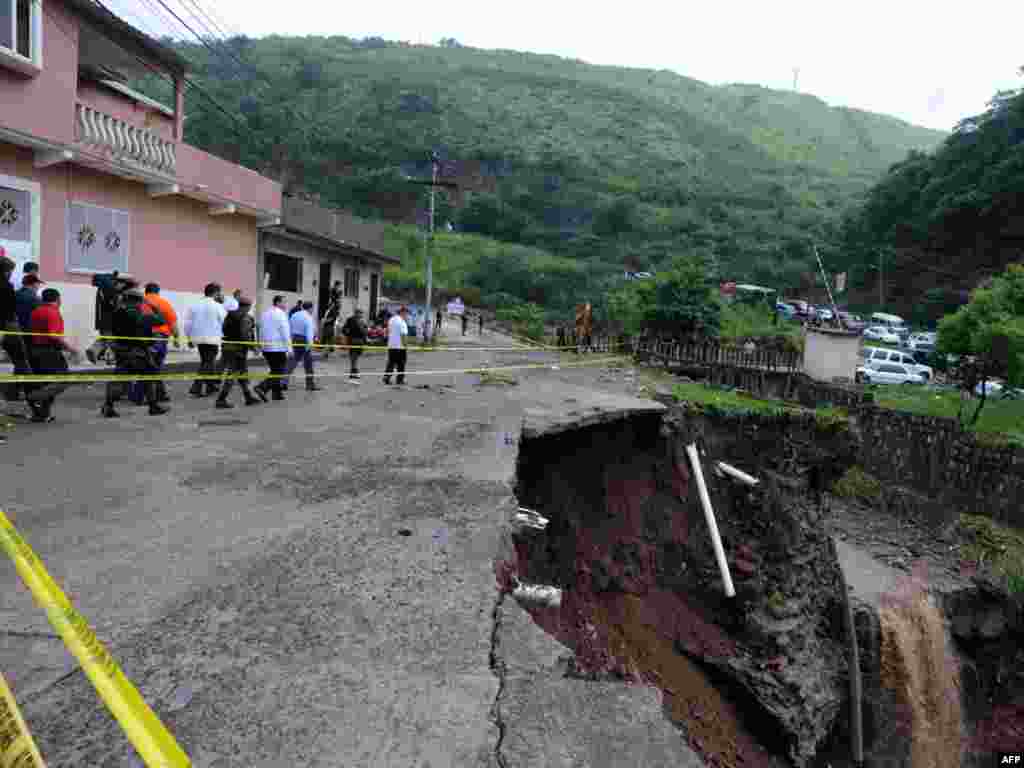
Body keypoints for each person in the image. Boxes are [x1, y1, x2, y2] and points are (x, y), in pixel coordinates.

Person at [101, 289, 168, 418]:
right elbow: (161, 320)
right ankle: (153, 406)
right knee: (150, 377)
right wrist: (153, 307)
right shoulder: (141, 315)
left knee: (119, 379)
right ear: (139, 301)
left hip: (121, 351)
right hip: (139, 353)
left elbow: (110, 331)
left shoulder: (116, 313)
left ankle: (108, 405)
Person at [25, 288, 79, 422]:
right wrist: (70, 348)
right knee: (63, 380)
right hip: (49, 352)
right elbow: (53, 335)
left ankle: (42, 414)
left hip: (35, 350)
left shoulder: (36, 311)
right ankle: (35, 397)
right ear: (58, 299)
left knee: (44, 382)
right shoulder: (53, 312)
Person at [215, 295, 261, 409]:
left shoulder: (229, 315)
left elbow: (223, 329)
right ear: (247, 307)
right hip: (238, 349)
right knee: (233, 373)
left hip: (227, 347)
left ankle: (248, 396)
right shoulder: (245, 318)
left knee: (242, 373)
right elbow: (245, 335)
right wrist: (253, 347)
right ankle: (221, 399)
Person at [137, 283, 179, 404]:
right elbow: (173, 323)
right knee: (153, 367)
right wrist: (176, 338)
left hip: (143, 337)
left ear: (146, 291)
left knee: (149, 366)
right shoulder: (164, 303)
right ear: (158, 292)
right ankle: (145, 396)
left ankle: (156, 394)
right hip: (160, 339)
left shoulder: (140, 303)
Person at [184, 283, 226, 397]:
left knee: (206, 362)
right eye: (220, 292)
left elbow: (187, 324)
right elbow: (224, 323)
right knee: (208, 362)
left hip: (198, 339)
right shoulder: (218, 306)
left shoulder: (195, 305)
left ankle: (210, 386)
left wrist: (189, 338)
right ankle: (196, 387)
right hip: (212, 339)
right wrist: (226, 336)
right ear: (216, 293)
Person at [0, 255, 32, 402]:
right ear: (6, 271)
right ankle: (27, 394)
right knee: (21, 360)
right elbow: (11, 309)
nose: (11, 274)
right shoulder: (7, 286)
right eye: (10, 271)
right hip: (8, 325)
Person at [86, 270, 136, 364]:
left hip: (102, 320)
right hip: (110, 321)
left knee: (106, 338)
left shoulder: (104, 288)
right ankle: (109, 358)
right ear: (120, 282)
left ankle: (94, 350)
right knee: (112, 340)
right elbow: (116, 306)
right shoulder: (111, 290)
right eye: (124, 285)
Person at [255, 295, 291, 401]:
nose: (286, 304)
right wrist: (289, 348)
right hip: (277, 347)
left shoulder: (265, 313)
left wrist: (261, 344)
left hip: (267, 347)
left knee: (275, 370)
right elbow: (285, 332)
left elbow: (260, 329)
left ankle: (277, 394)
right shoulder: (281, 314)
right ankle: (262, 387)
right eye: (284, 302)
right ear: (278, 302)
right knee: (279, 370)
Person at [285, 300, 319, 391]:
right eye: (312, 308)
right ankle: (310, 384)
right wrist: (310, 345)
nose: (313, 310)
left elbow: (289, 326)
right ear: (310, 308)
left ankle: (283, 382)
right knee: (308, 363)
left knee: (291, 362)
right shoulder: (308, 317)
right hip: (303, 340)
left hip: (294, 338)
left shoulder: (295, 315)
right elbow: (309, 332)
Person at [383, 306, 409, 386]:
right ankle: (400, 379)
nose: (407, 315)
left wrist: (387, 339)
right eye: (406, 313)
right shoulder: (402, 322)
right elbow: (403, 335)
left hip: (391, 345)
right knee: (401, 364)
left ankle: (386, 377)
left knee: (391, 362)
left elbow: (386, 331)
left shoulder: (391, 319)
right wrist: (406, 346)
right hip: (400, 346)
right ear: (402, 312)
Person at [340, 308, 368, 382]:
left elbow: (365, 331)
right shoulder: (350, 320)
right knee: (353, 357)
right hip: (353, 341)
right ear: (356, 313)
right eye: (360, 313)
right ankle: (354, 372)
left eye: (361, 313)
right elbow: (344, 329)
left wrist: (365, 339)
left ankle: (354, 371)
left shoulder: (362, 321)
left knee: (356, 357)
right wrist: (348, 335)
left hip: (360, 341)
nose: (361, 315)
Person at [320, 283, 343, 360]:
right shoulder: (331, 309)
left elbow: (333, 318)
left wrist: (324, 321)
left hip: (330, 326)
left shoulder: (333, 310)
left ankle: (326, 353)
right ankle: (325, 353)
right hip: (328, 326)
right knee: (328, 340)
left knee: (328, 340)